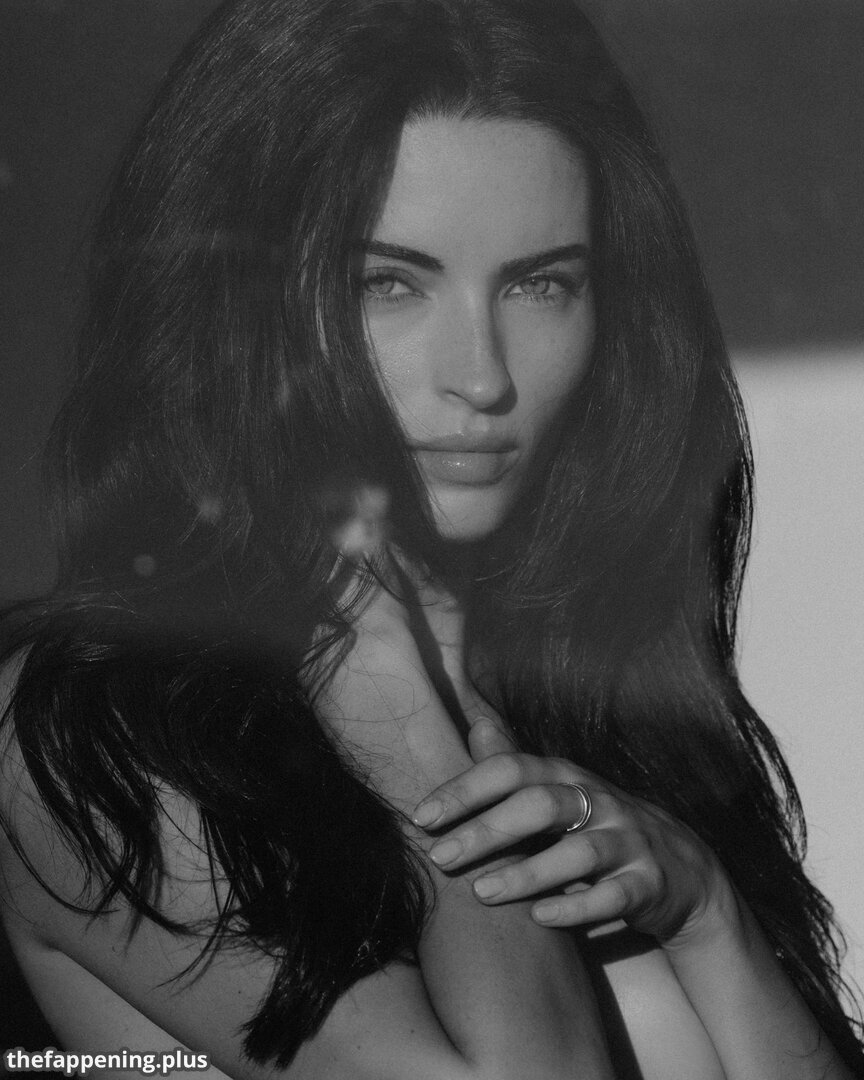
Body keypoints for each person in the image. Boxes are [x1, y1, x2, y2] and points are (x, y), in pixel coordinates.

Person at [1, 0, 862, 1076]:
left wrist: (707, 918)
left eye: (541, 284)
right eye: (389, 284)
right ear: (242, 306)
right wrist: (403, 727)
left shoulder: (588, 701)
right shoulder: (103, 729)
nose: (483, 376)